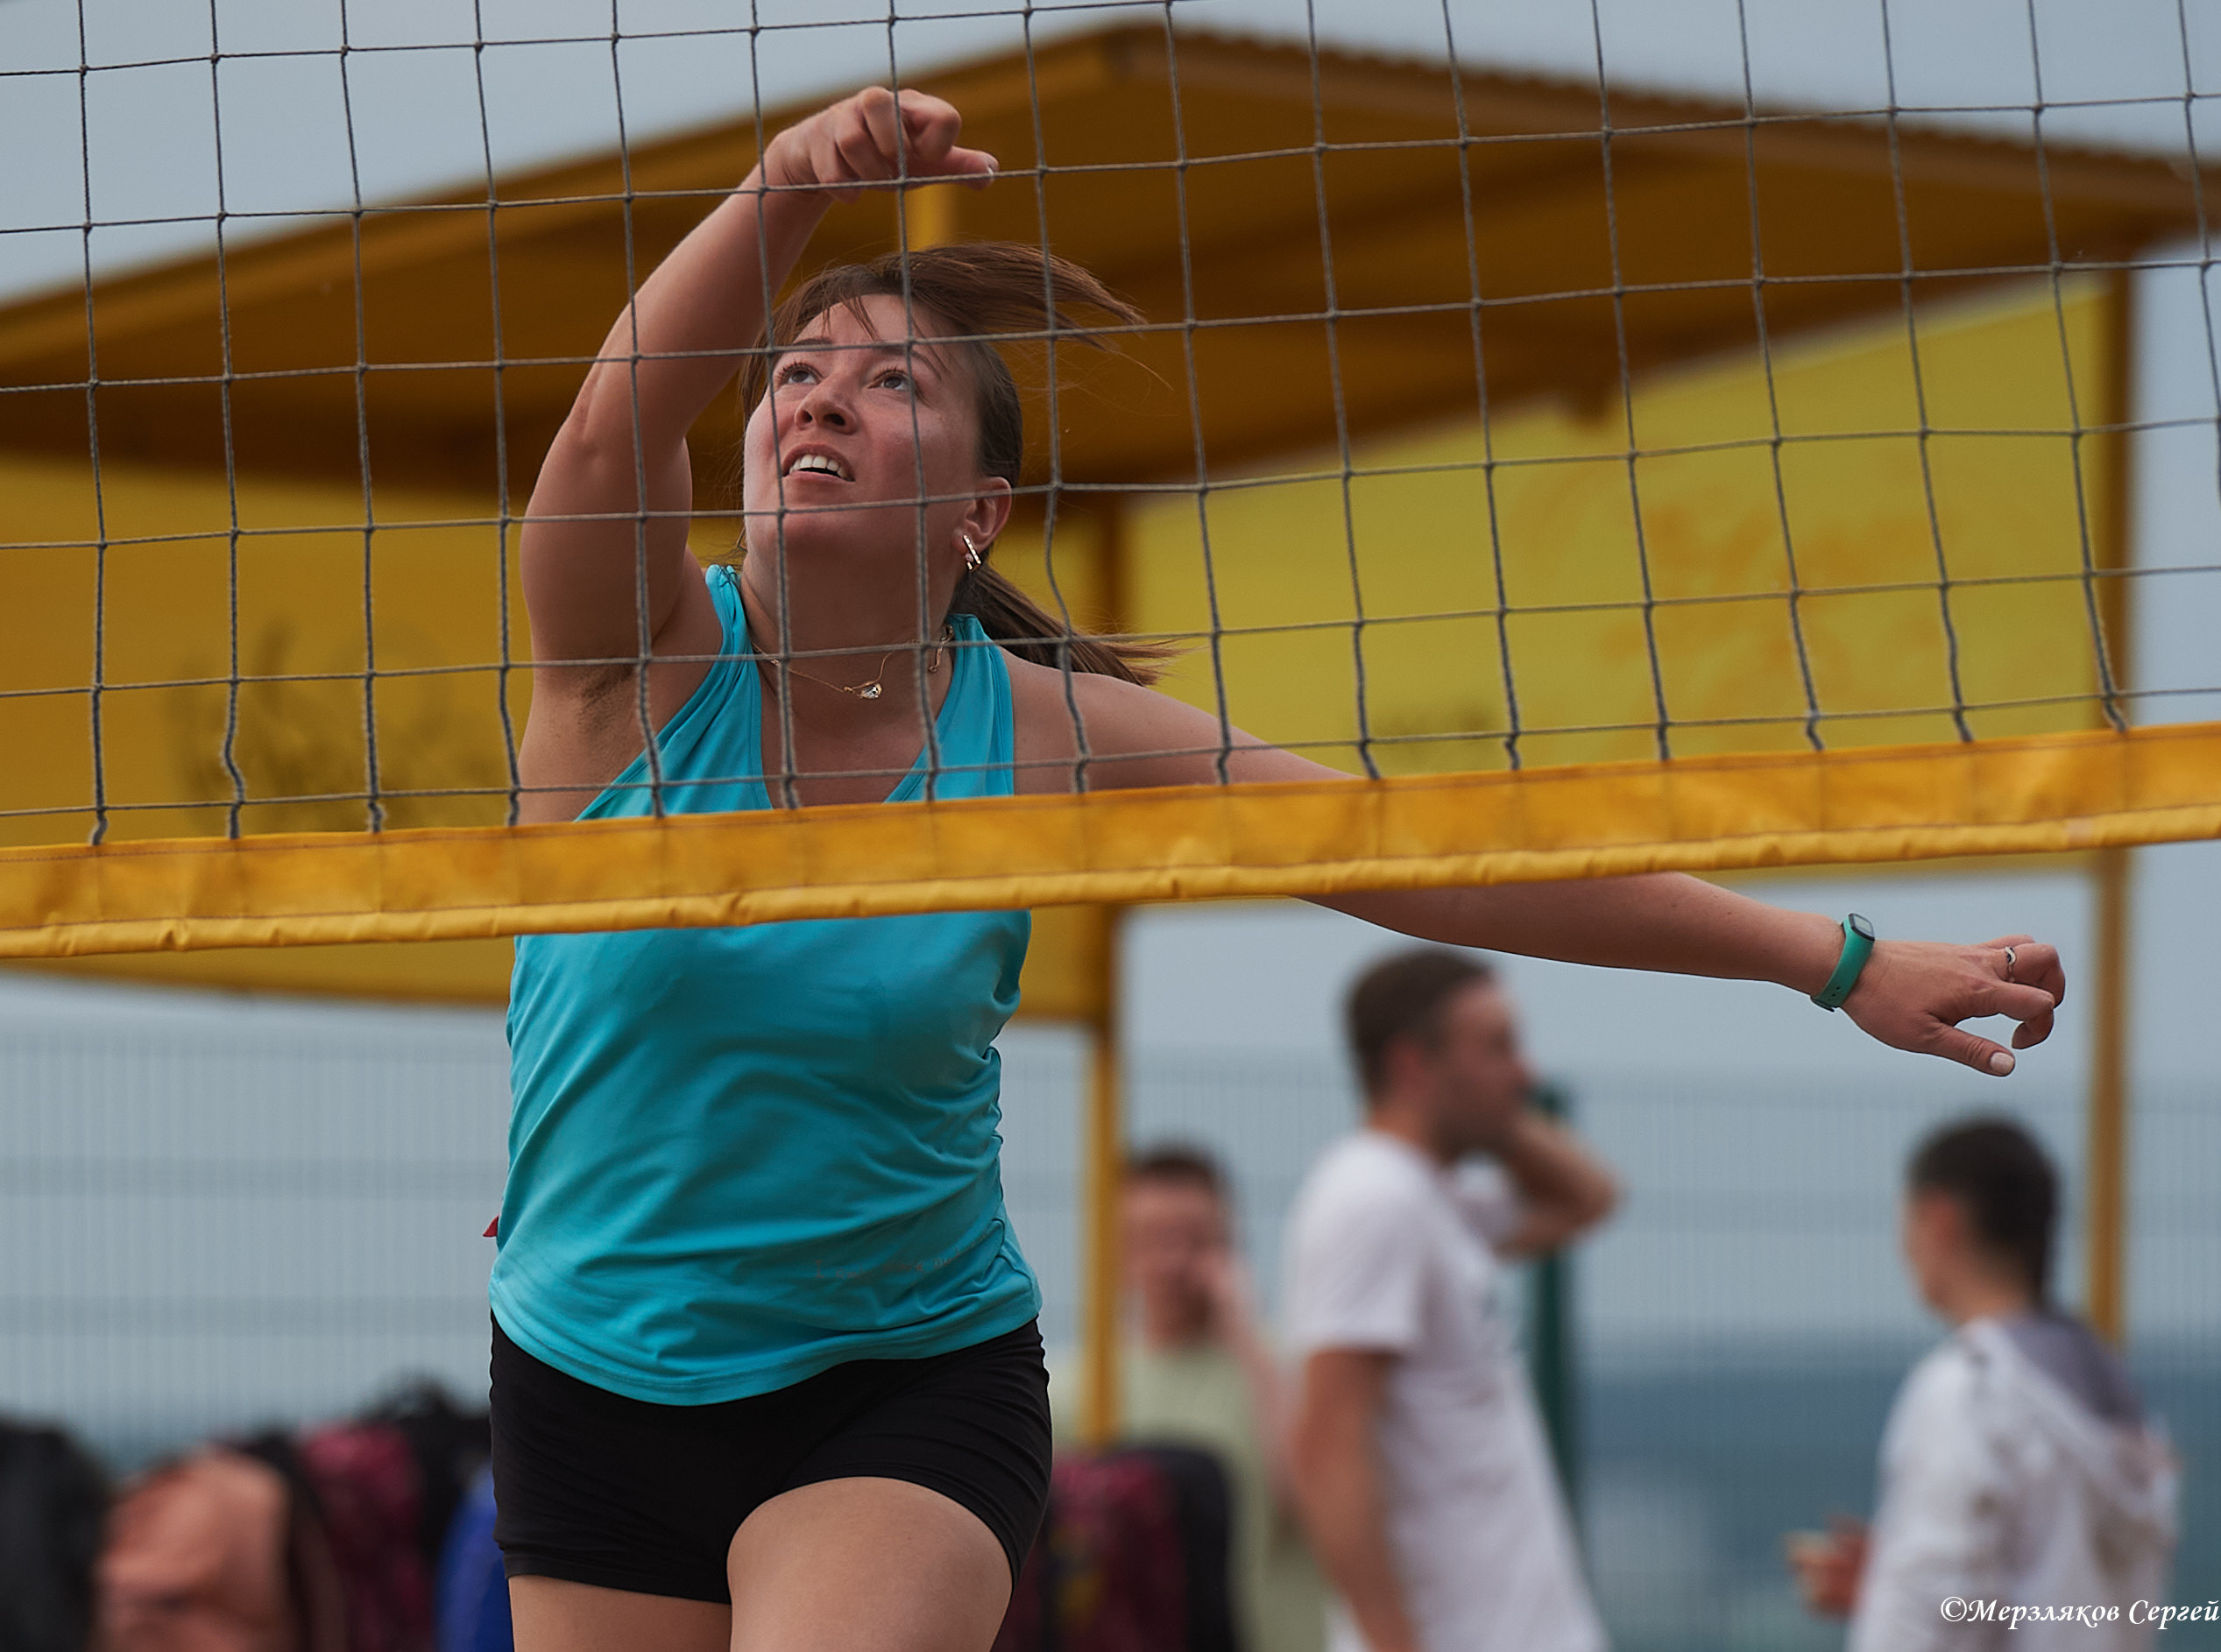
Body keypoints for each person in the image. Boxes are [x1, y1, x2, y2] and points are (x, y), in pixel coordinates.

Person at [487, 81, 2068, 1652]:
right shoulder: (631, 664)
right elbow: (606, 422)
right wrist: (789, 182)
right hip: (590, 1370)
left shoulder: (1049, 733)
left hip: (898, 1381)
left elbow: (1431, 861)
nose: (819, 398)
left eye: (890, 381)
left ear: (978, 512)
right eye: (795, 371)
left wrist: (1835, 957)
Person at [1284, 948, 1618, 1652]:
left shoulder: (1426, 1196)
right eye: (1498, 1047)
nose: (1525, 1072)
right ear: (1413, 1065)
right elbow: (1328, 1447)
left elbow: (1588, 1198)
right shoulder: (1373, 1199)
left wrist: (1497, 1112)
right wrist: (1391, 1643)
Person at [1789, 1118, 2178, 1649]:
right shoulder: (2111, 1395)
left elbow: (1931, 1622)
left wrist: (1899, 1603)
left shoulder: (1964, 1391)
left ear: (1939, 1220)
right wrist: (1887, 1586)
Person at [1050, 1146, 1328, 1652]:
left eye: (1196, 1240)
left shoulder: (1284, 1369)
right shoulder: (1075, 1388)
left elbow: (1320, 1506)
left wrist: (1245, 1333)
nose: (1173, 1260)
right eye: (1149, 1240)